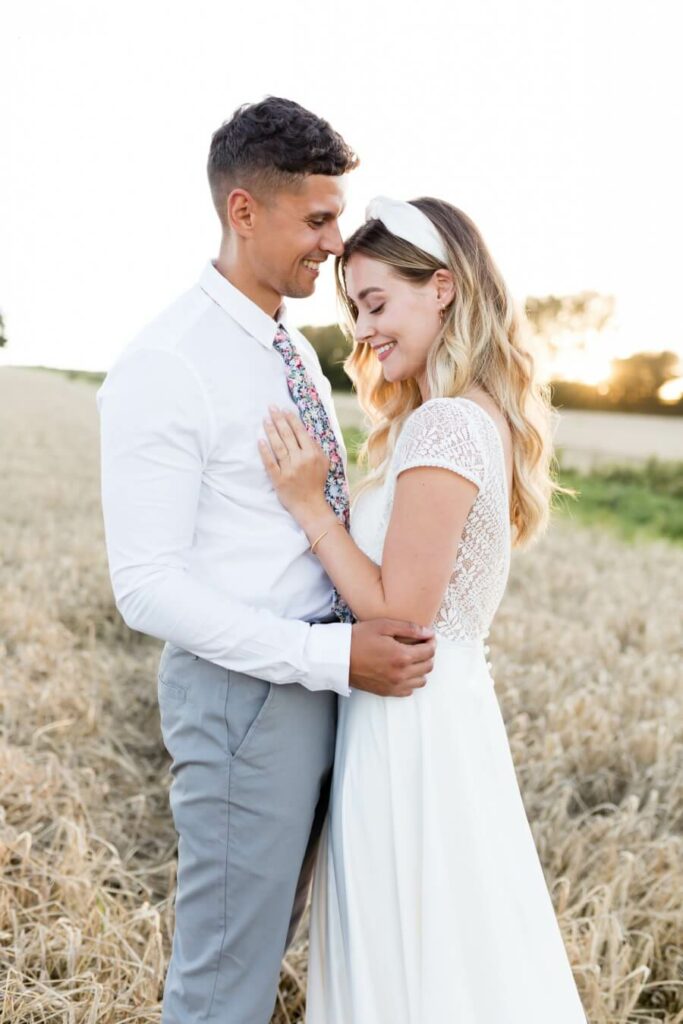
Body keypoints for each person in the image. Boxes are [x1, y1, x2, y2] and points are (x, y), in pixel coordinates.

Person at [96, 100, 436, 1024]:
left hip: (326, 683)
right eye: (316, 219)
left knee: (274, 937)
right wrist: (332, 658)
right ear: (243, 211)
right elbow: (146, 587)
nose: (335, 241)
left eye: (337, 215)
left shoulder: (286, 345)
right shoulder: (167, 362)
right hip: (246, 698)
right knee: (223, 978)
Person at [259, 195, 589, 1022]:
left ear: (440, 288)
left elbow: (397, 611)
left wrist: (309, 507)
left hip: (412, 720)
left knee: (413, 953)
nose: (362, 330)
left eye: (375, 304)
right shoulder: (462, 417)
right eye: (354, 309)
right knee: (441, 945)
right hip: (431, 712)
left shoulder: (445, 426)